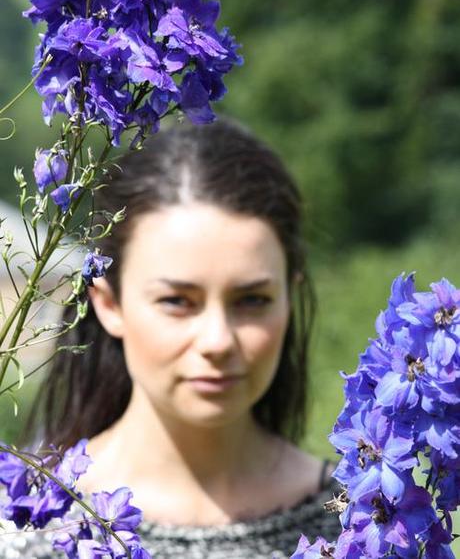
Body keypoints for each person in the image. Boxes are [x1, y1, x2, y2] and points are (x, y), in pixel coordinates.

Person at [12, 119, 342, 558]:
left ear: (290, 298)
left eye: (252, 300)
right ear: (109, 304)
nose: (218, 341)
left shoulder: (360, 521)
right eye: (177, 301)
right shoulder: (30, 524)